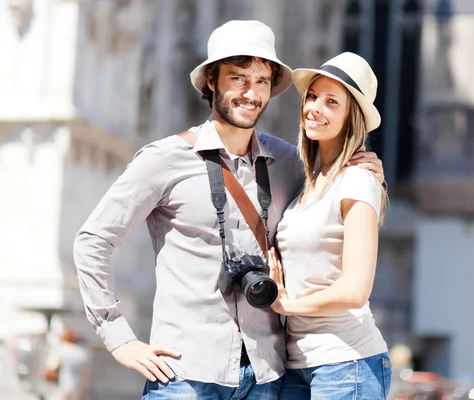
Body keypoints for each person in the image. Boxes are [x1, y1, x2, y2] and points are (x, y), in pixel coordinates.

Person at [73, 20, 384, 400]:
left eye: (262, 81)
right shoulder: (165, 159)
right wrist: (119, 338)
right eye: (237, 78)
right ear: (211, 82)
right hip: (185, 374)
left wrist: (369, 169)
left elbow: (333, 201)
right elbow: (93, 241)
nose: (250, 93)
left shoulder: (287, 162)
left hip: (268, 378)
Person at [269, 52, 392, 399]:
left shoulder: (356, 180)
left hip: (347, 363)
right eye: (312, 96)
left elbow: (355, 290)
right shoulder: (308, 183)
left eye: (331, 101)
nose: (315, 108)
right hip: (297, 365)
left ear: (351, 115)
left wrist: (285, 304)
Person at [44, 330, 89, 400]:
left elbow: (53, 366)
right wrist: (84, 387)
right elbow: (84, 372)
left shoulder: (60, 349)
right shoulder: (80, 352)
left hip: (63, 385)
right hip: (76, 386)